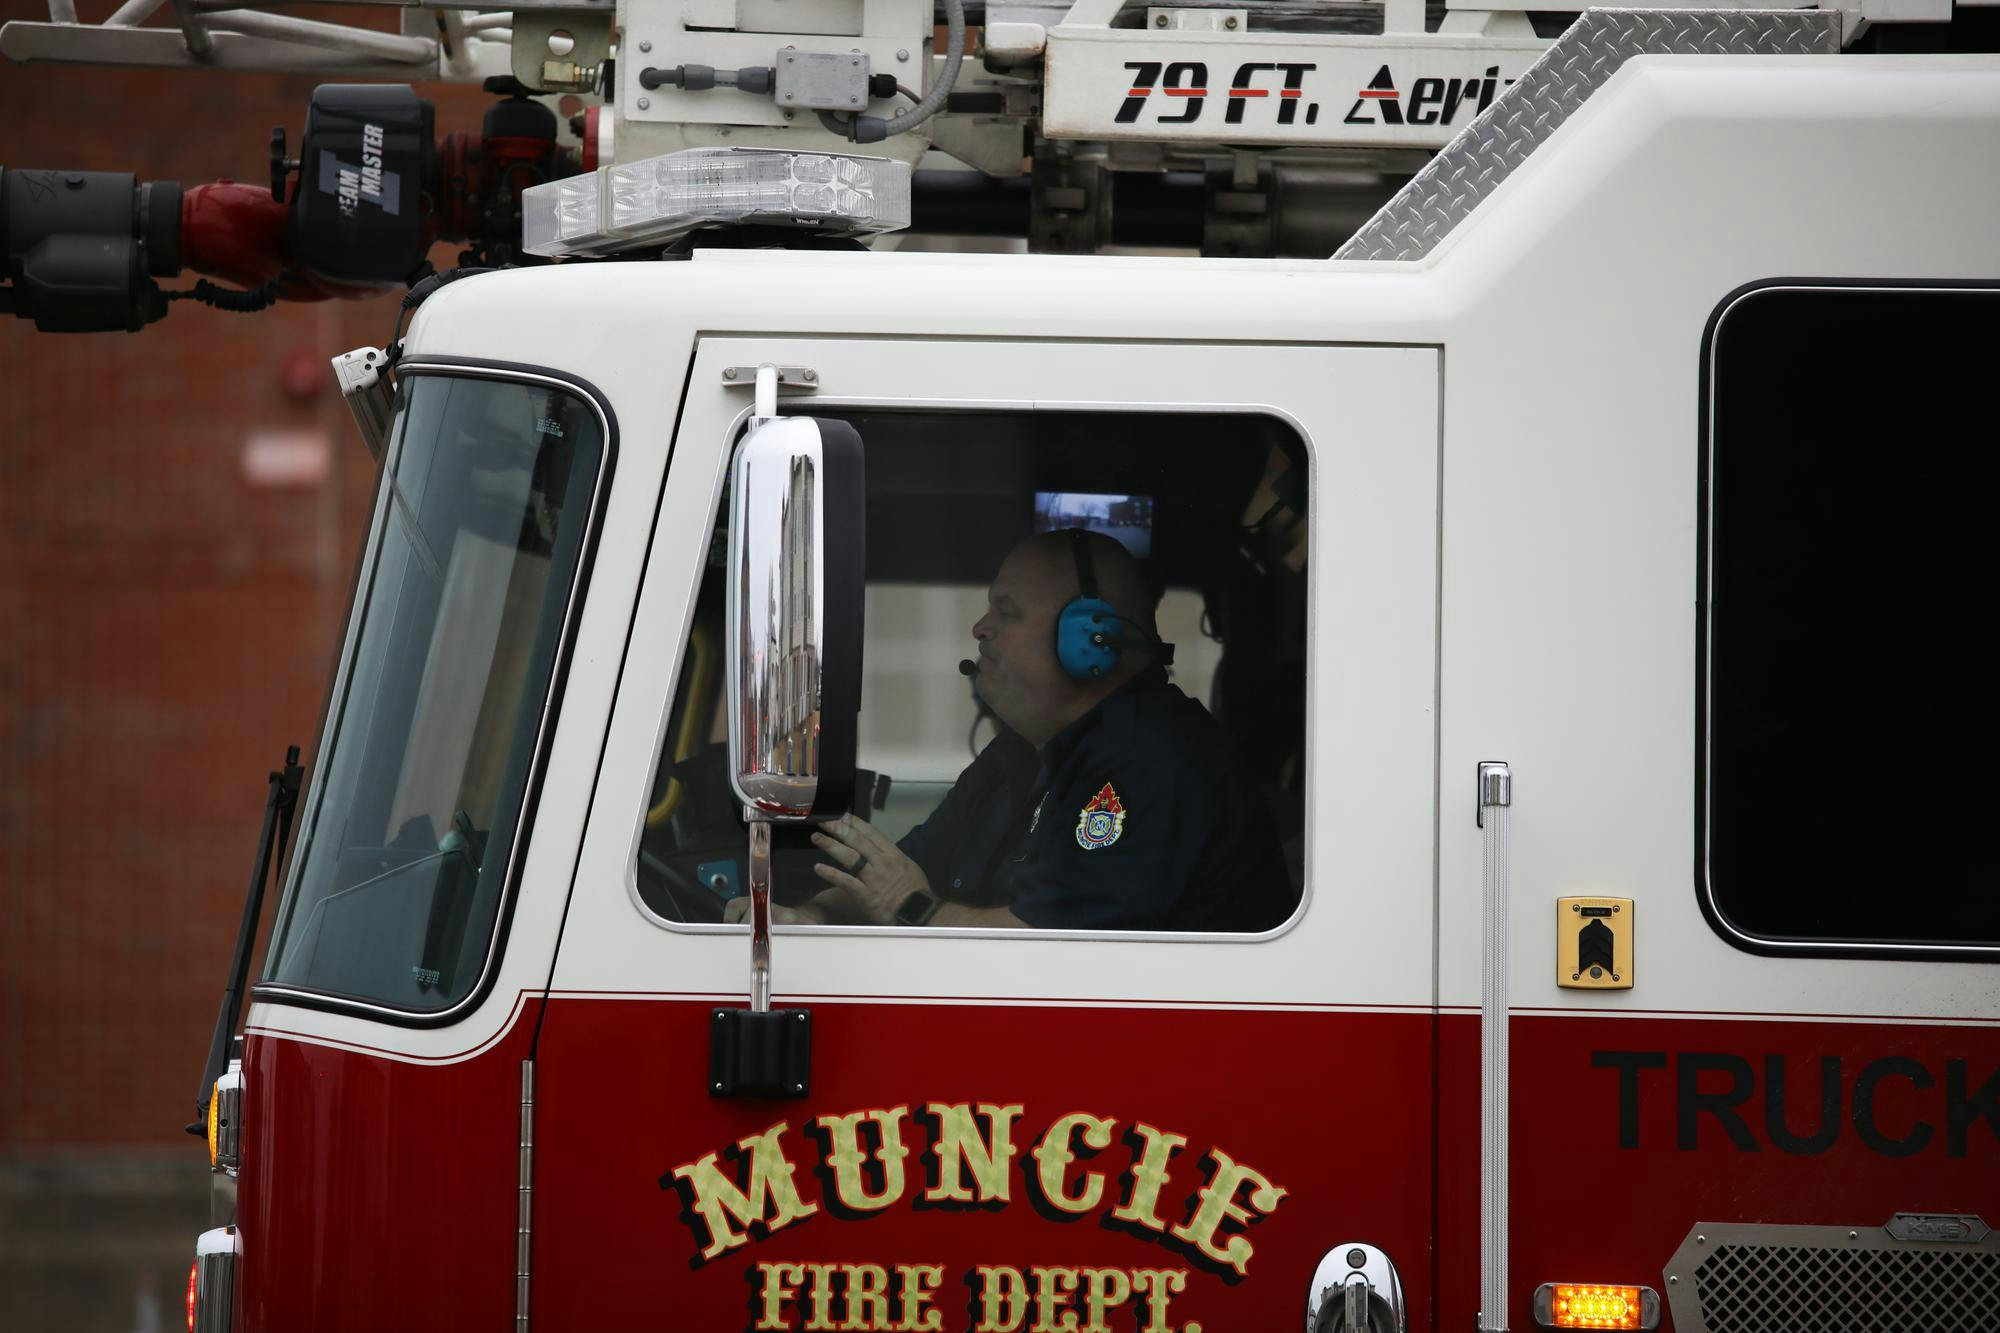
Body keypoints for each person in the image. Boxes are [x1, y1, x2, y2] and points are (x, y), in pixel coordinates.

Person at [728, 528, 1295, 932]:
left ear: (1090, 638)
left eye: (1007, 612)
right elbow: (895, 874)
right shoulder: (1015, 757)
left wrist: (911, 907)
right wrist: (806, 917)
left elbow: (1044, 954)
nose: (981, 628)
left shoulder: (1157, 763)